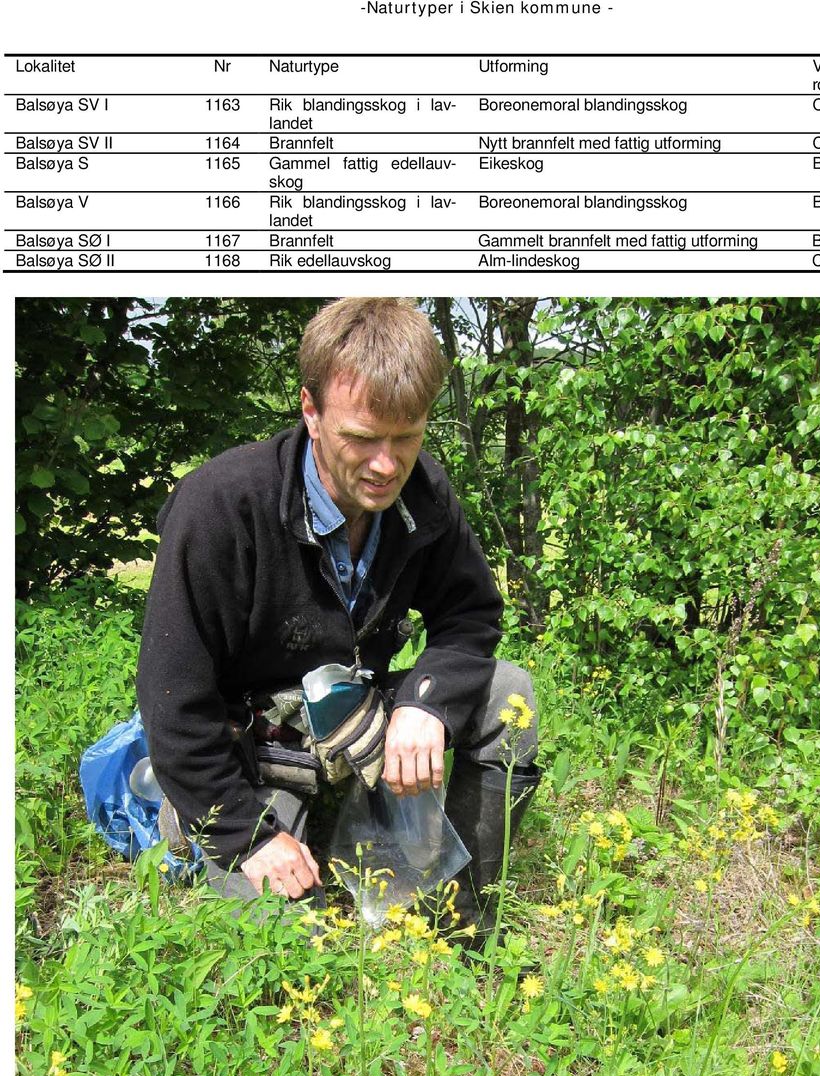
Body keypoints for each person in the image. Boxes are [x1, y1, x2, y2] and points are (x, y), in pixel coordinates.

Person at [136, 297, 539, 935]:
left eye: (406, 437)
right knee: (289, 943)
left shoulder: (424, 494)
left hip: (355, 719)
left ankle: (458, 913)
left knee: (508, 695)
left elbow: (471, 614)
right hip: (253, 748)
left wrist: (425, 703)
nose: (386, 465)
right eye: (361, 437)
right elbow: (174, 701)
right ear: (311, 411)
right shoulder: (218, 507)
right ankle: (223, 827)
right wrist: (246, 838)